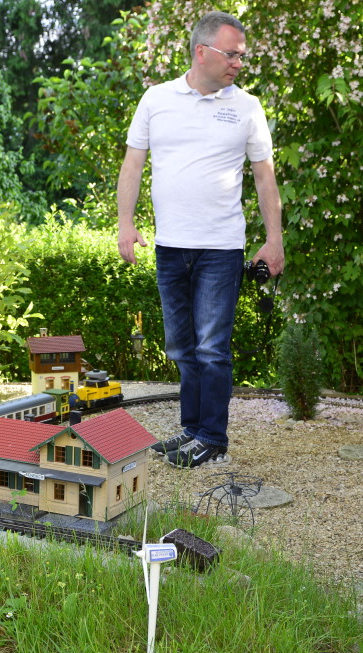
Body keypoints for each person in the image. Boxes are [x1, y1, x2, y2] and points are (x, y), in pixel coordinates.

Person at [118, 10, 284, 468]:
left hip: (221, 248)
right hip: (171, 246)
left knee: (212, 347)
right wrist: (125, 222)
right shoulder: (156, 99)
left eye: (242, 56)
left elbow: (265, 178)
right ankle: (191, 430)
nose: (238, 63)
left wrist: (275, 240)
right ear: (201, 51)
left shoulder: (247, 107)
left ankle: (213, 439)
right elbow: (133, 165)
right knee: (180, 346)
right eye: (231, 54)